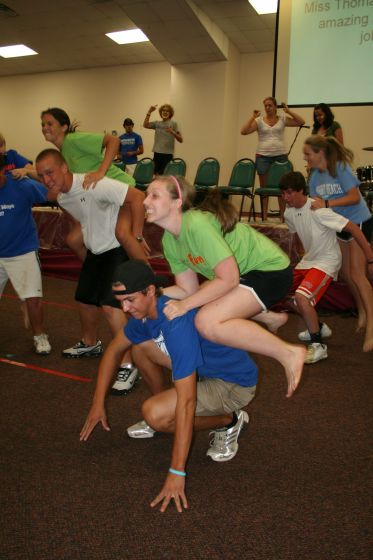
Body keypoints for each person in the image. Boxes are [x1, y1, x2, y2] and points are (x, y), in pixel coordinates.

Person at [80, 260, 258, 512]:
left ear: (150, 291)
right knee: (140, 347)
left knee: (154, 414)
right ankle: (165, 409)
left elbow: (186, 402)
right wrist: (97, 404)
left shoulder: (175, 323)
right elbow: (113, 351)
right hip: (204, 371)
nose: (125, 307)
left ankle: (229, 421)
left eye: (130, 300)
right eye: (121, 301)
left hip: (232, 384)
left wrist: (177, 471)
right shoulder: (146, 315)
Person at [144, 175, 306, 397]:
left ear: (176, 202)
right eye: (146, 195)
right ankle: (267, 316)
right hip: (244, 275)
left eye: (154, 195)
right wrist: (151, 294)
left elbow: (228, 279)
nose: (145, 202)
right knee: (200, 296)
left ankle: (288, 352)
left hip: (270, 271)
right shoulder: (170, 241)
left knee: (206, 321)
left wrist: (184, 306)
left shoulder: (196, 225)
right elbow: (187, 290)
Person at [35, 149, 146, 392]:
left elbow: (138, 197)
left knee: (110, 305)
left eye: (50, 172)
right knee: (84, 299)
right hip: (96, 252)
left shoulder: (94, 184)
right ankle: (90, 342)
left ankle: (129, 366)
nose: (46, 180)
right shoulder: (63, 198)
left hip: (116, 250)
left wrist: (137, 235)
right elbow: (80, 219)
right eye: (41, 175)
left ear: (64, 167)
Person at [279, 171, 373, 363]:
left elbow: (353, 228)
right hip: (309, 261)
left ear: (300, 191)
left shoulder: (318, 209)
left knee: (301, 298)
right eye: (283, 193)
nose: (285, 197)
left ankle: (317, 346)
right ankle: (318, 326)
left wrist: (370, 258)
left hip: (326, 262)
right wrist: (300, 256)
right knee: (283, 294)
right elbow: (297, 234)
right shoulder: (288, 213)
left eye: (289, 193)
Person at [40, 107, 150, 260]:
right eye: (43, 124)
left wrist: (100, 172)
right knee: (73, 240)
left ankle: (149, 279)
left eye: (49, 124)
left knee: (123, 233)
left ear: (64, 127)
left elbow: (113, 141)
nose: (45, 128)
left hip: (125, 191)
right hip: (105, 199)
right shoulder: (62, 155)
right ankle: (94, 271)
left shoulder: (73, 139)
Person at [304, 135, 373, 352]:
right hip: (339, 226)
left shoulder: (340, 169)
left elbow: (354, 197)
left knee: (357, 274)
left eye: (308, 153)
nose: (305, 158)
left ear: (320, 153)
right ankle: (362, 310)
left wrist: (328, 202)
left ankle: (372, 325)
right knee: (344, 274)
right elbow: (317, 208)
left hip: (358, 221)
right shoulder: (314, 176)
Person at [0, 153, 51, 354]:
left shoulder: (21, 185)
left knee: (33, 298)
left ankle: (39, 336)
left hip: (22, 251)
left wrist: (31, 173)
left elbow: (52, 193)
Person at [240, 96, 305, 189]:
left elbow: (301, 122)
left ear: (275, 107)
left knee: (283, 186)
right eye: (265, 106)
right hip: (263, 156)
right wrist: (253, 117)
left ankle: (282, 204)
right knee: (264, 188)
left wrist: (289, 112)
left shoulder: (282, 119)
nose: (267, 108)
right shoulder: (259, 121)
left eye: (270, 105)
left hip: (281, 155)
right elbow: (243, 131)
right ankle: (264, 204)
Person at [143, 104, 183, 174]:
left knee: (165, 175)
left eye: (167, 111)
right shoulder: (157, 123)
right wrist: (149, 111)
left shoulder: (174, 124)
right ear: (161, 112)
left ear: (170, 113)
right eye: (163, 110)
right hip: (157, 153)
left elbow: (181, 140)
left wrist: (173, 132)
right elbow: (145, 125)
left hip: (167, 154)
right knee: (155, 174)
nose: (165, 112)